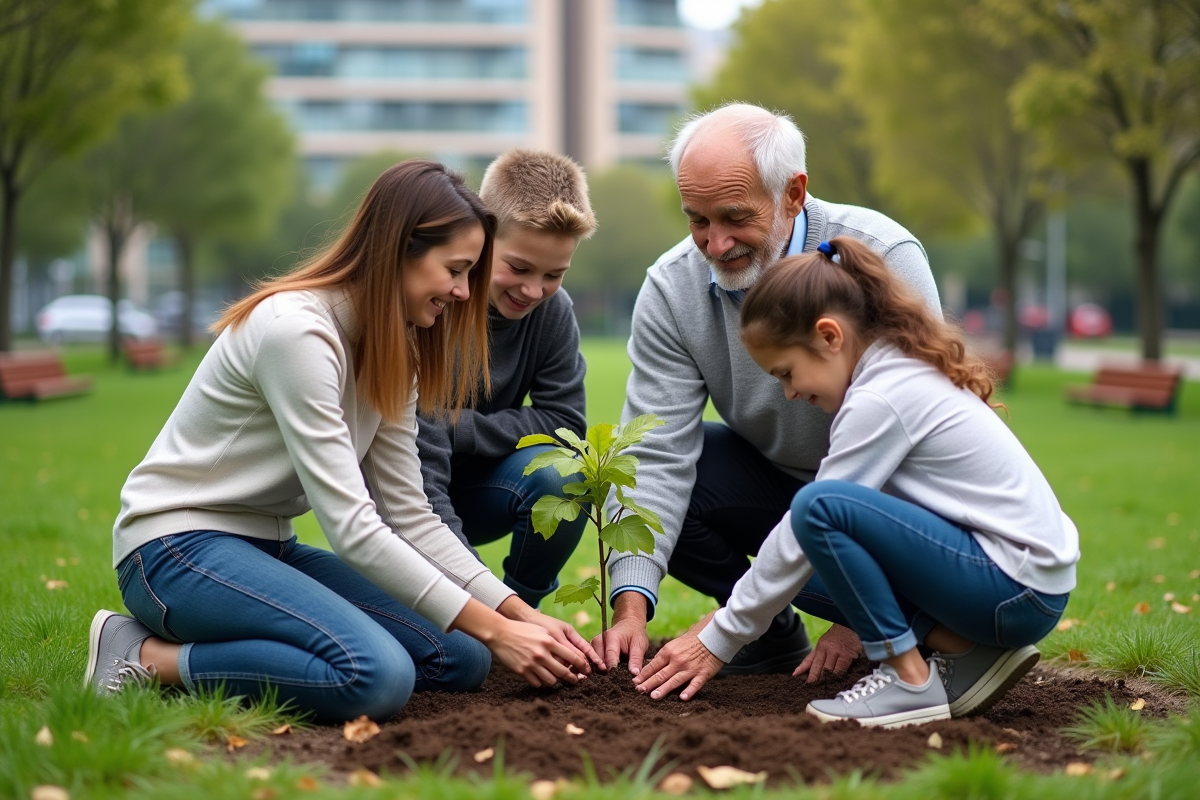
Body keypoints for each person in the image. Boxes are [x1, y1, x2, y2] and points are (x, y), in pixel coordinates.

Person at [84, 159, 600, 724]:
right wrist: (500, 627)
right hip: (176, 550)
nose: (461, 292)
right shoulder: (296, 332)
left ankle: (258, 650)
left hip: (266, 547)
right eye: (455, 270)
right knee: (374, 674)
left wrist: (514, 613)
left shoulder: (397, 344)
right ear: (399, 250)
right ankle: (145, 655)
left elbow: (410, 513)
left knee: (462, 657)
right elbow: (353, 528)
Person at [632, 237, 1079, 727]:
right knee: (796, 567)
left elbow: (815, 522)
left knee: (816, 511)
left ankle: (908, 679)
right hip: (1015, 586)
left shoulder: (882, 396)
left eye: (787, 372)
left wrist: (720, 635)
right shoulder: (891, 370)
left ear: (829, 336)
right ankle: (968, 650)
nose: (789, 392)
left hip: (1013, 588)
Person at [595, 103, 942, 678]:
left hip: (895, 510)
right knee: (688, 471)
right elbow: (654, 455)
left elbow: (922, 449)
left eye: (734, 216)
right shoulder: (672, 288)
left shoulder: (884, 259)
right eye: (697, 219)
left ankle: (895, 623)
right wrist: (631, 605)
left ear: (793, 193)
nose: (715, 242)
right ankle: (771, 636)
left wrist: (854, 622)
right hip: (790, 492)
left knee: (858, 551)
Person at [416, 149, 596, 609]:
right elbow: (417, 463)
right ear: (483, 236)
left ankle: (525, 609)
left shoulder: (553, 313)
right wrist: (477, 601)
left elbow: (566, 425)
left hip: (488, 487)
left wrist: (458, 426)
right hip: (405, 492)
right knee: (457, 645)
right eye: (518, 268)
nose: (534, 290)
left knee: (567, 474)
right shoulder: (432, 303)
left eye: (554, 274)